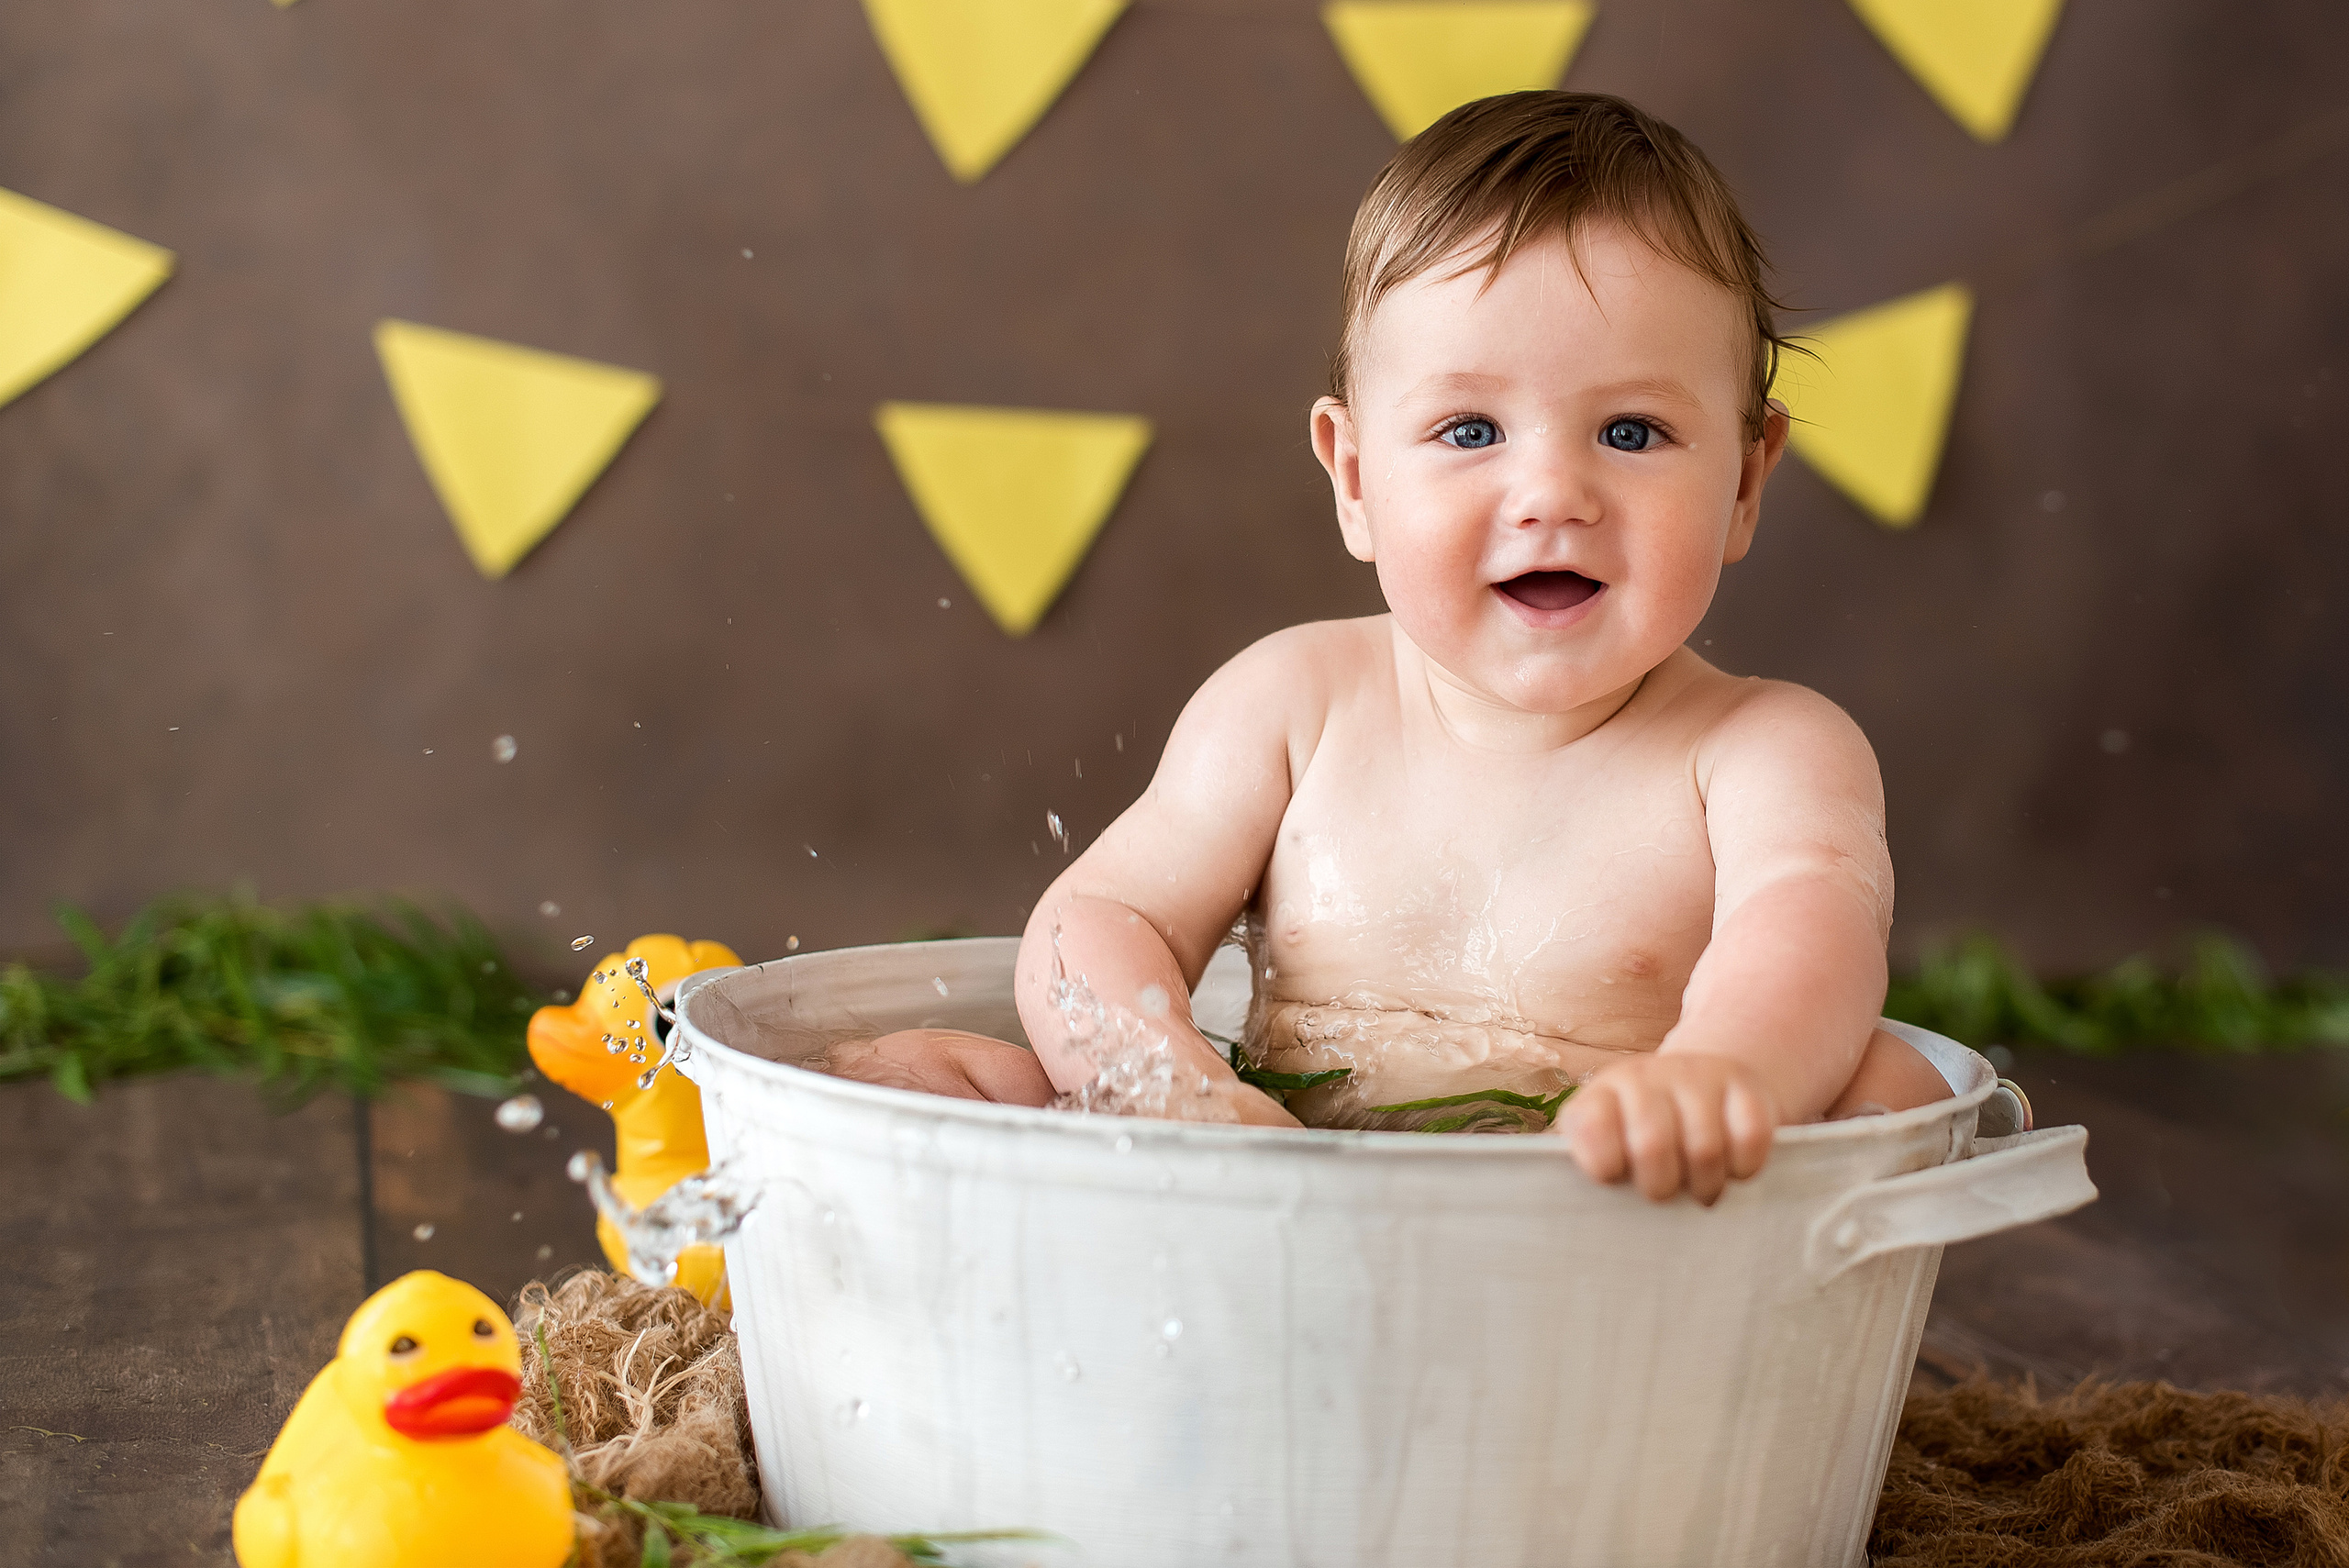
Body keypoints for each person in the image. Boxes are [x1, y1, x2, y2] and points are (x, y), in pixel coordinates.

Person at [829, 91, 1951, 1204]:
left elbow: (1814, 937)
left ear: (1747, 479)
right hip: (1278, 1193)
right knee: (934, 1070)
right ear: (1356, 478)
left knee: (1888, 1082)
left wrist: (1722, 1071)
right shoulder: (1294, 701)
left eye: (1631, 431)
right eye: (1469, 431)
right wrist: (1162, 1086)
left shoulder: (1764, 750)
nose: (1551, 493)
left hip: (1599, 1223)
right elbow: (1101, 918)